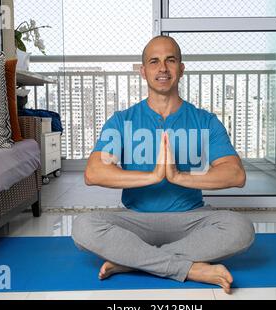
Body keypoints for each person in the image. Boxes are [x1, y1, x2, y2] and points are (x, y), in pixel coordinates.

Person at [71, 35, 255, 294]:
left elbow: (235, 174)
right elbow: (93, 172)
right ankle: (189, 269)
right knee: (83, 227)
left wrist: (179, 176)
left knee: (241, 229)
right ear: (143, 71)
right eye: (154, 61)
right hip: (135, 221)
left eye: (170, 60)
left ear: (181, 68)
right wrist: (154, 176)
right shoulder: (122, 120)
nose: (163, 68)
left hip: (190, 220)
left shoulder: (205, 120)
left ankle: (131, 261)